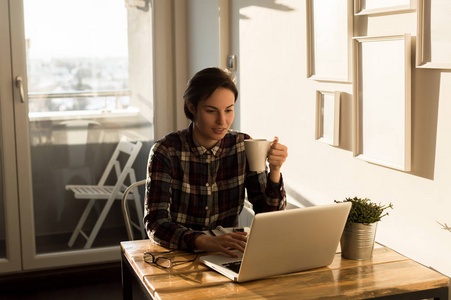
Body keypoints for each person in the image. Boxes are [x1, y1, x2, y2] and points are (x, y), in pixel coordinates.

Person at [144, 67, 288, 257]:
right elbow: (156, 223)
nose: (222, 121)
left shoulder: (243, 145)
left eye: (229, 110)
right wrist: (202, 240)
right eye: (211, 111)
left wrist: (275, 171)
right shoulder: (166, 151)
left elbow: (268, 215)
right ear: (192, 107)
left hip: (227, 253)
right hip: (179, 254)